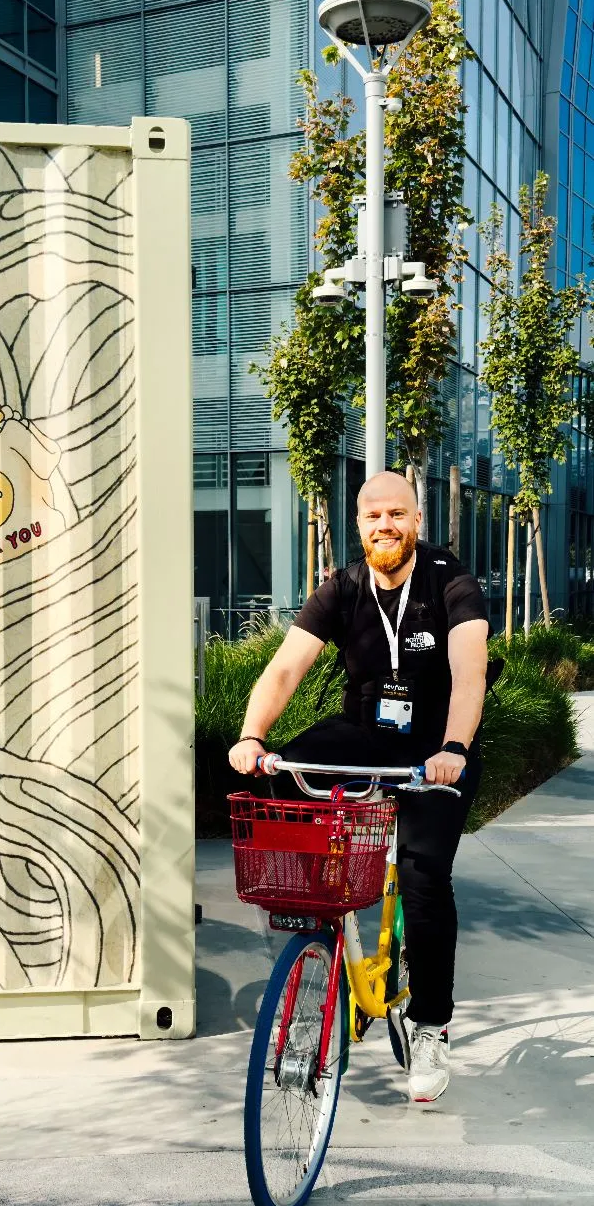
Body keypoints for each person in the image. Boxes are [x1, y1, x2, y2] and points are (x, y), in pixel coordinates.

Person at [228, 471, 490, 1105]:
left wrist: (454, 748)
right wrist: (251, 737)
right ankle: (319, 940)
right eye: (373, 516)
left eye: (397, 514)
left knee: (426, 875)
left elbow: (468, 668)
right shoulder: (343, 587)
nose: (385, 526)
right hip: (367, 734)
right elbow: (287, 665)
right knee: (286, 776)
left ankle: (431, 1024)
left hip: (435, 749)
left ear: (417, 521)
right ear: (360, 525)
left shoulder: (449, 580)